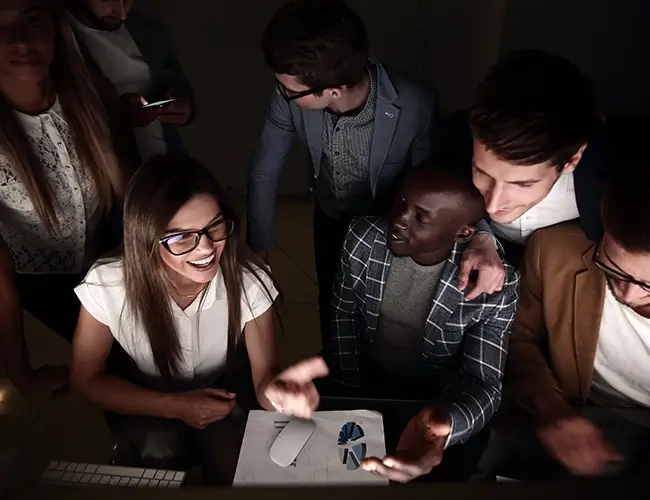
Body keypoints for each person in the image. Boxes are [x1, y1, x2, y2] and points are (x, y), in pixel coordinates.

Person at [247, 0, 505, 350]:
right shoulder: (289, 94)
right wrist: (259, 246)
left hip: (389, 223)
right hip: (329, 213)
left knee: (376, 313)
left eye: (290, 92)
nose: (282, 95)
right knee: (330, 299)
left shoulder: (416, 103)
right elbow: (266, 167)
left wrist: (483, 235)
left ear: (333, 92)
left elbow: (434, 179)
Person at [71, 154, 328, 485]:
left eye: (214, 226)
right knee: (153, 459)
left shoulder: (250, 280)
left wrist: (279, 393)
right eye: (181, 237)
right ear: (145, 239)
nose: (206, 248)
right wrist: (173, 406)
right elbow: (86, 380)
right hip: (145, 398)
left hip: (224, 396)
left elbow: (264, 377)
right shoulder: (107, 284)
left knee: (232, 464)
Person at [324, 165, 520, 482]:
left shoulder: (493, 285)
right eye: (402, 201)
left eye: (421, 217)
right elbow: (343, 316)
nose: (399, 218)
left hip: (439, 399)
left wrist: (446, 424)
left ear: (463, 233)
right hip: (367, 382)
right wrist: (352, 395)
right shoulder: (363, 238)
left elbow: (484, 382)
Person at [482, 167, 650, 480]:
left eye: (648, 284)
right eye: (614, 267)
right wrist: (551, 410)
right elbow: (517, 341)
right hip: (573, 415)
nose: (628, 293)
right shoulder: (554, 251)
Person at [0, 0, 126, 394]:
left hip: (100, 265)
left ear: (55, 29)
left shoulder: (89, 97)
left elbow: (128, 187)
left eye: (32, 19)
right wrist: (22, 374)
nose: (19, 38)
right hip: (28, 290)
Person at [439, 50, 606, 266]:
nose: (492, 205)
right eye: (481, 172)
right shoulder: (446, 141)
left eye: (522, 184)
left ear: (572, 160)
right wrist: (483, 234)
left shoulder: (613, 184)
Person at [64, 0, 193, 161]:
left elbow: (178, 84)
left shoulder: (148, 29)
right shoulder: (56, 40)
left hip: (171, 167)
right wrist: (118, 118)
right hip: (113, 175)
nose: (122, 13)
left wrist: (184, 108)